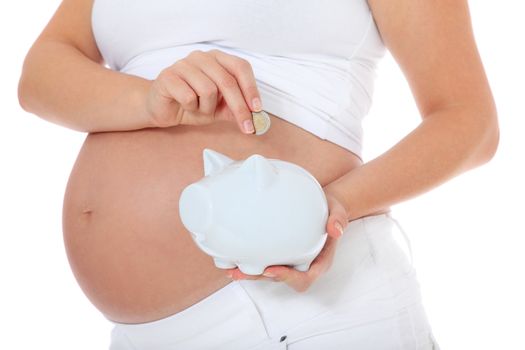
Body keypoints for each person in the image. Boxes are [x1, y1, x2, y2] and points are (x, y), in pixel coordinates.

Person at [18, 0, 499, 349]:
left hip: (305, 312)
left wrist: (335, 208)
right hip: (145, 336)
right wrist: (148, 100)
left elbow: (470, 123)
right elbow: (40, 74)